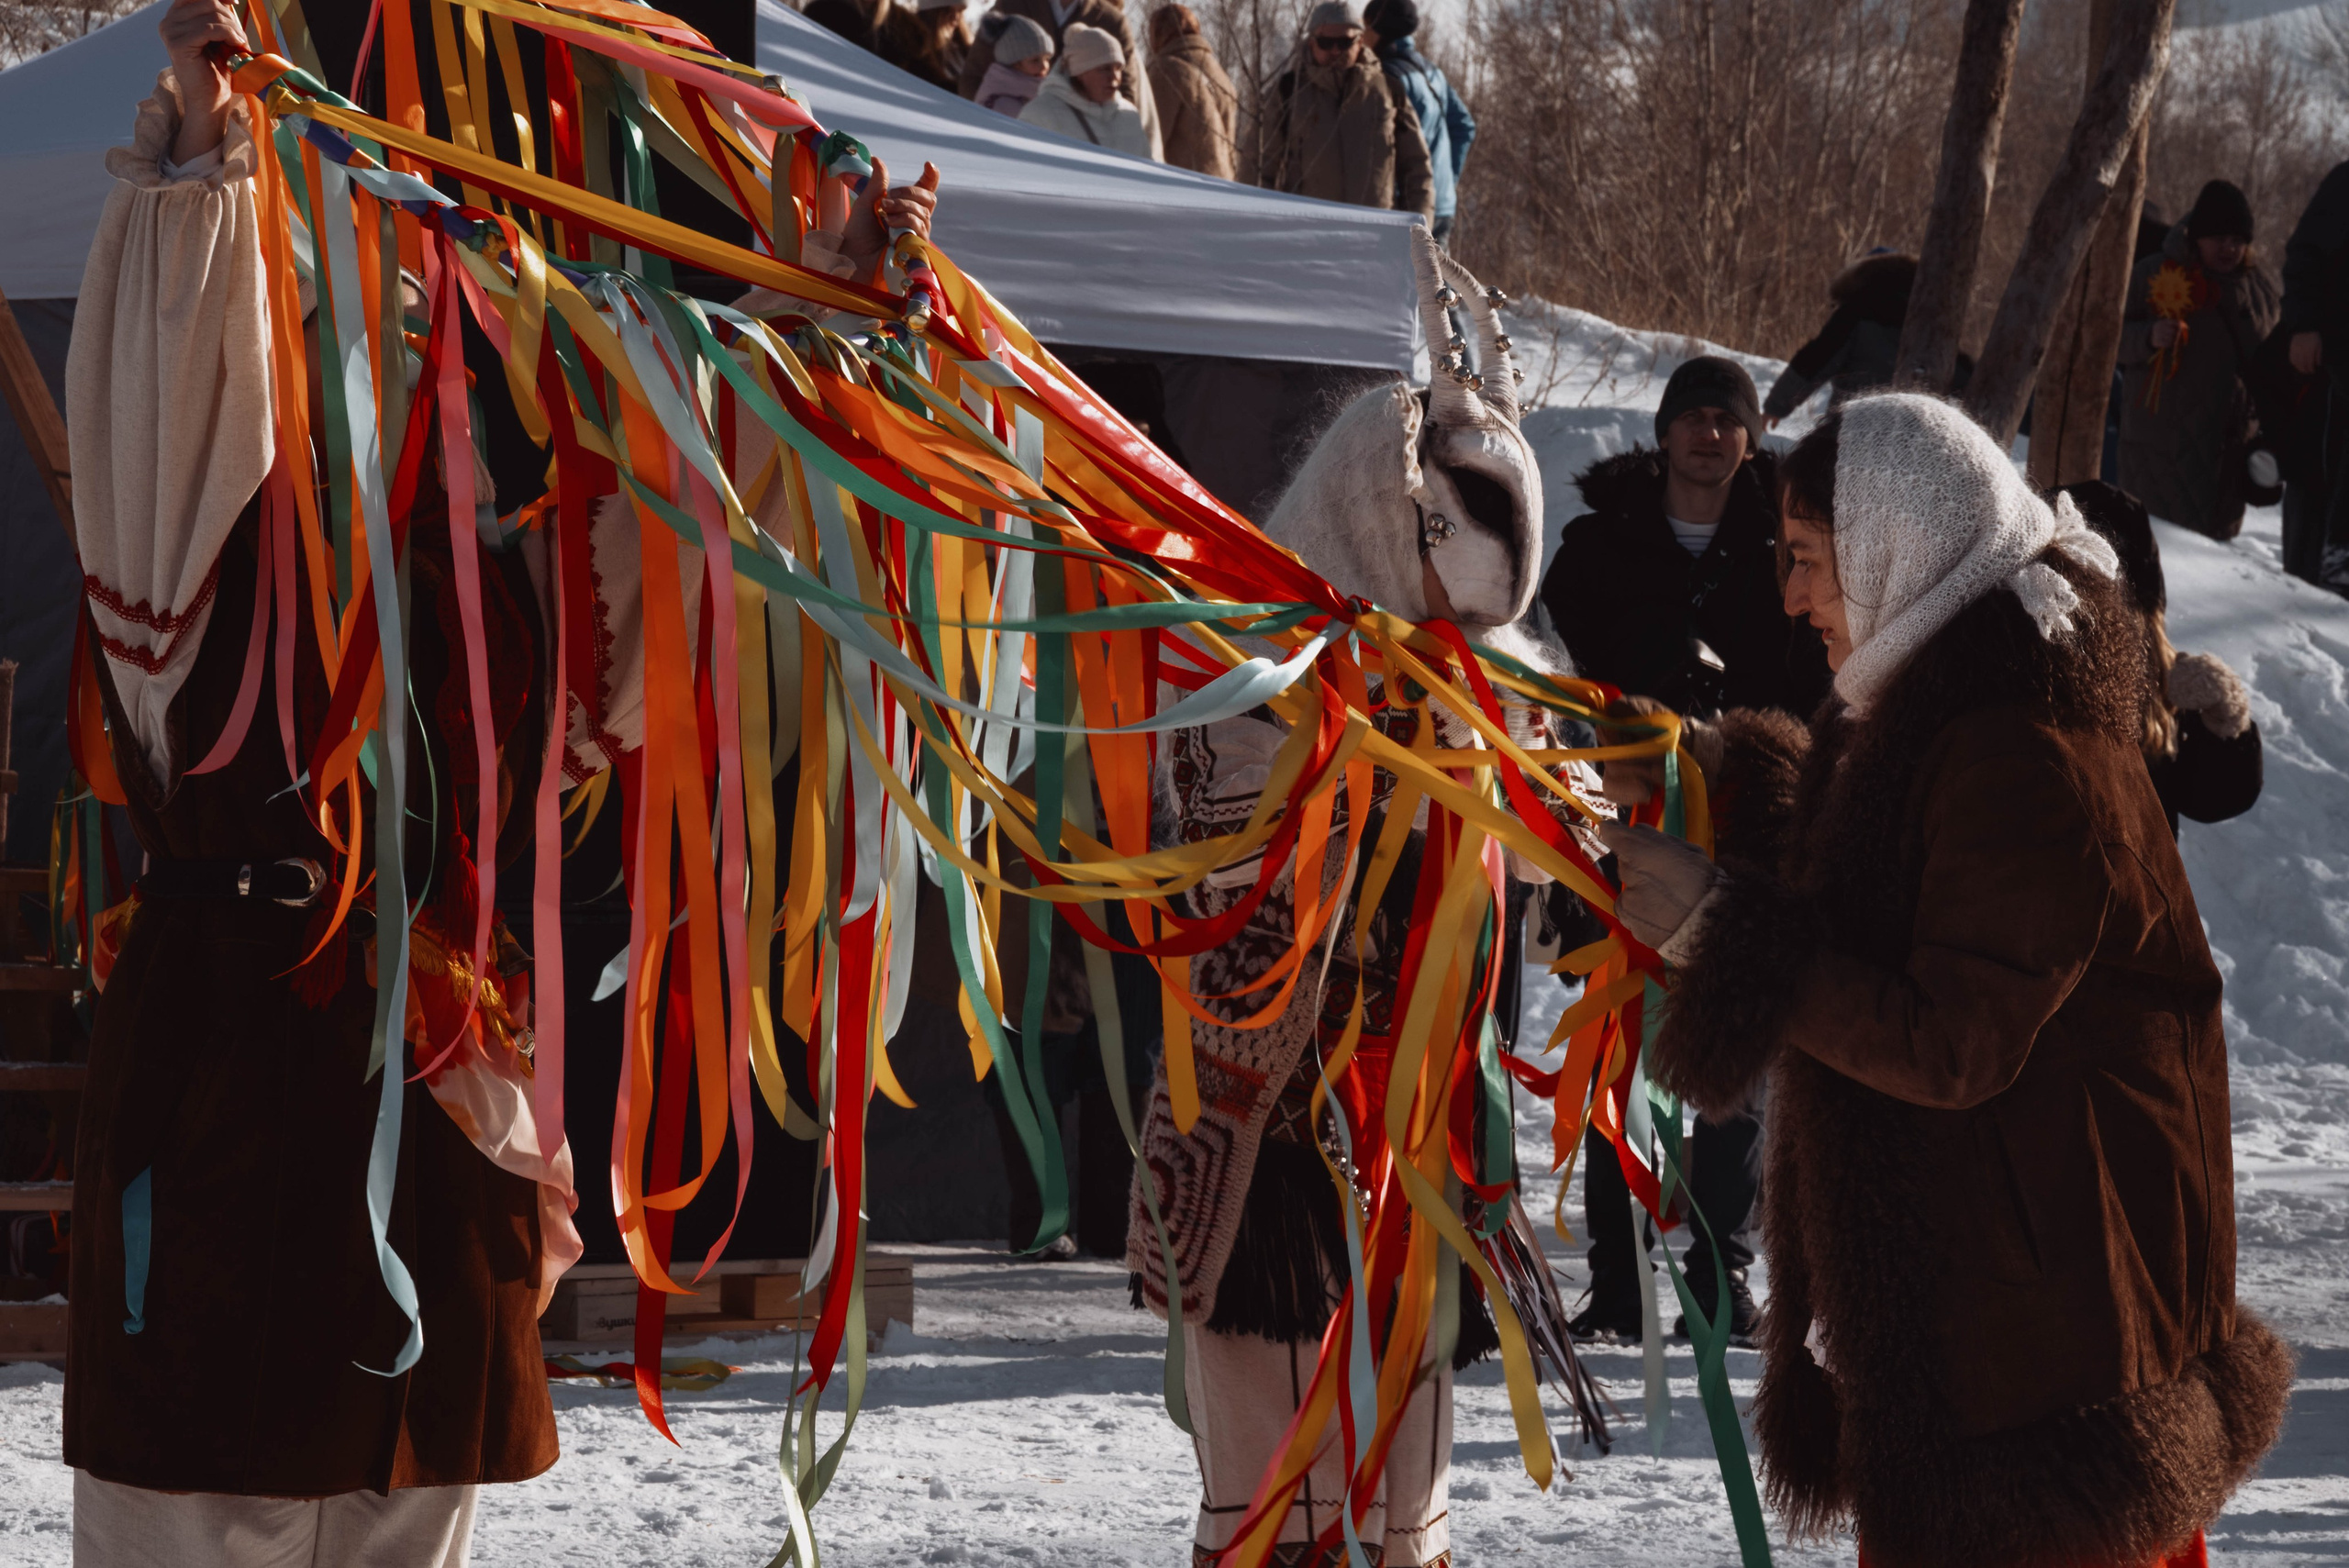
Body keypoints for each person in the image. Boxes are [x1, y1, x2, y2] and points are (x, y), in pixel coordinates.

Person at [1607, 393, 2289, 1567]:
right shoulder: (1945, 699)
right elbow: (1888, 884)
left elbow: (1949, 1038)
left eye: (1810, 559)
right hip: (2008, 1319)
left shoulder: (2019, 742)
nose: (1790, 595)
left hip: (2042, 1363)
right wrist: (1710, 784)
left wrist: (1724, 928)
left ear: (1898, 546)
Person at [1535, 355, 1828, 1347]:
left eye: (1726, 418)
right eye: (1691, 417)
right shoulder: (1591, 549)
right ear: (1661, 432)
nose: (1708, 433)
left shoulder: (1786, 546)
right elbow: (1543, 680)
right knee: (1615, 1050)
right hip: (1616, 829)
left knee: (1730, 1056)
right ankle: (1617, 1281)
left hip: (1747, 825)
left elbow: (1819, 676)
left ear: (1749, 437)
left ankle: (1717, 1274)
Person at [2064, 481, 2263, 836]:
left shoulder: (2157, 677)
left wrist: (2224, 719)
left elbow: (2206, 798)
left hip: (2144, 877)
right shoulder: (2031, 672)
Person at [2117, 179, 2280, 541]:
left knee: (2209, 552)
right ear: (2197, 236)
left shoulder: (2261, 292)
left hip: (2226, 462)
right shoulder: (2153, 273)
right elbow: (2105, 339)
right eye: (2219, 238)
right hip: (2157, 457)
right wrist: (2146, 337)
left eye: (2238, 240)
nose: (2229, 247)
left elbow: (2274, 365)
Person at [1251, 0, 1433, 222]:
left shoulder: (1388, 91)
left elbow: (1417, 170)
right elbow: (1258, 167)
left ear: (1361, 42)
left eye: (1344, 42)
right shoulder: (1288, 91)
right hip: (1305, 234)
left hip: (1374, 235)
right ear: (1311, 43)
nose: (1335, 50)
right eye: (1326, 42)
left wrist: (1421, 236)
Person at [960, 0, 1163, 157]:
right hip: (1006, 144)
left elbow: (1123, 93)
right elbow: (973, 78)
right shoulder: (1012, 5)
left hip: (1088, 154)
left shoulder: (1112, 20)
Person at [2279, 159, 2349, 595]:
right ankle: (2329, 563)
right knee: (2319, 479)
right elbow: (2305, 255)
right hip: (2335, 366)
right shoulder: (2346, 183)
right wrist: (2303, 325)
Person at [1761, 250, 1920, 427]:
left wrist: (1777, 404)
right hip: (1911, 432)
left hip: (1852, 427)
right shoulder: (1927, 322)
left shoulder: (1856, 312)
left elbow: (1816, 359)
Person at [1362, 0, 1475, 242]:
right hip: (1442, 204)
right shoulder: (1432, 71)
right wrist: (1444, 184)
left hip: (1409, 211)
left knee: (1411, 280)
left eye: (1366, 25)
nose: (1362, 35)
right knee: (1440, 279)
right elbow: (1464, 126)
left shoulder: (1386, 77)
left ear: (1378, 27)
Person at [1019, 23, 1153, 157]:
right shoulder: (1040, 114)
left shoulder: (1129, 115)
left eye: (1118, 68)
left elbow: (1147, 171)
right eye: (1104, 69)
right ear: (1080, 72)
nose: (1114, 77)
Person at [1146, 4, 1238, 180]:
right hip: (1222, 186)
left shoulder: (1166, 70)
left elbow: (1151, 140)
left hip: (1181, 186)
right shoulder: (1220, 75)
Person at [974, 14, 1053, 117]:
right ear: (1014, 64)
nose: (1044, 66)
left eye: (1047, 59)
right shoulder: (1001, 104)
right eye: (1035, 60)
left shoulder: (1033, 93)